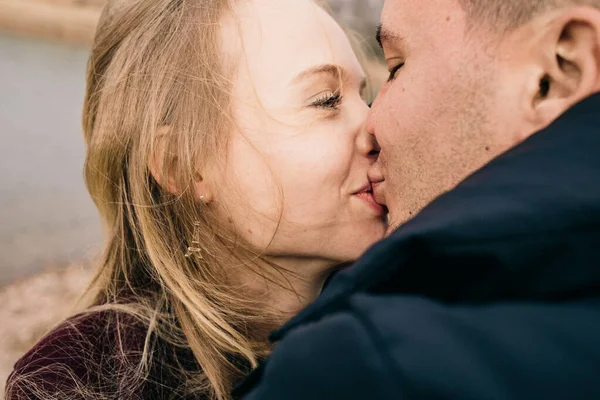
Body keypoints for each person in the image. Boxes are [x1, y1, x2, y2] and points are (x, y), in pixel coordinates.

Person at [5, 0, 386, 399]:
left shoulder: (415, 322)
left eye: (367, 96)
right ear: (181, 166)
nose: (377, 124)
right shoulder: (79, 385)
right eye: (326, 100)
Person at [235, 0, 600, 399]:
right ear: (178, 164)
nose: (369, 123)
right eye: (326, 100)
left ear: (559, 71)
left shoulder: (374, 368)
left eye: (396, 67)